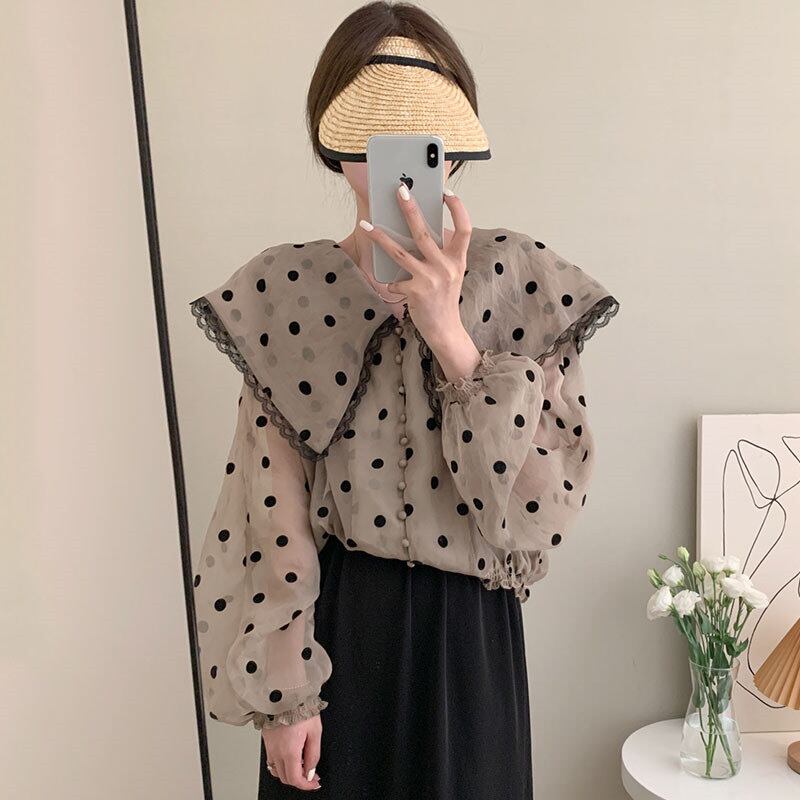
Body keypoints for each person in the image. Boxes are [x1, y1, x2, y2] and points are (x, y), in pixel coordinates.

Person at [188, 3, 620, 798]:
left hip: (469, 643)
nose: (395, 168)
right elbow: (267, 508)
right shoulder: (285, 291)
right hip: (337, 635)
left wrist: (453, 338)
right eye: (370, 138)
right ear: (335, 146)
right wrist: (284, 695)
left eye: (420, 139)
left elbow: (543, 513)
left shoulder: (521, 284)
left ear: (453, 148)